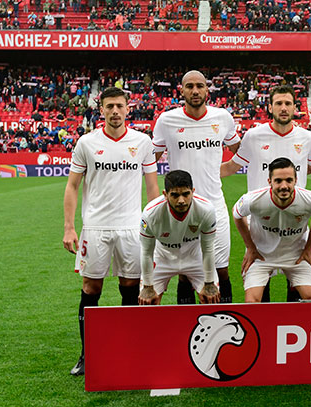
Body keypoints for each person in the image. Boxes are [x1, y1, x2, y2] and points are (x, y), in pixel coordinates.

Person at [63, 86, 159, 376]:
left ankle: (129, 350)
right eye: (109, 106)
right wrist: (69, 227)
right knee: (91, 288)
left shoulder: (142, 142)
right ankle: (88, 354)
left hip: (131, 228)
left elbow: (152, 188)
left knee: (130, 287)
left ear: (128, 108)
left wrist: (156, 228)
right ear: (101, 109)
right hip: (96, 227)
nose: (115, 111)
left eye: (119, 106)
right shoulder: (86, 143)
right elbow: (72, 186)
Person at [222, 85, 311, 302]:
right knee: (261, 285)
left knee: (296, 286)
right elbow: (231, 167)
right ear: (270, 107)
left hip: (295, 217)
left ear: (295, 107)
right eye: (279, 103)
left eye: (288, 103)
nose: (283, 108)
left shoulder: (307, 137)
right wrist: (193, 177)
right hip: (260, 220)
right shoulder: (253, 136)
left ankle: (292, 323)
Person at [152, 70, 240, 304]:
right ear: (181, 90)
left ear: (207, 89)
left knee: (221, 269)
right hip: (181, 207)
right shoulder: (166, 120)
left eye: (199, 86)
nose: (195, 91)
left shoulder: (222, 118)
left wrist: (222, 171)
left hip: (215, 204)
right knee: (185, 273)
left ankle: (224, 315)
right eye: (189, 86)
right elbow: (150, 160)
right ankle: (187, 323)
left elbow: (241, 151)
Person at [232, 157, 311, 302]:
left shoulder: (310, 200)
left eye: (289, 180)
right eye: (278, 181)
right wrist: (250, 247)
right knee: (251, 303)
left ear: (295, 180)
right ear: (269, 181)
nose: (284, 186)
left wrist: (309, 248)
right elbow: (237, 214)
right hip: (261, 256)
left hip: (296, 255)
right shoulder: (253, 200)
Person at [138, 170, 220, 305]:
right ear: (165, 194)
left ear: (193, 191)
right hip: (163, 256)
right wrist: (147, 285)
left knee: (211, 299)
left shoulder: (206, 209)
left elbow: (208, 248)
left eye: (186, 194)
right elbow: (146, 252)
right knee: (148, 301)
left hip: (194, 255)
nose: (181, 200)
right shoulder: (150, 214)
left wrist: (210, 282)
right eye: (175, 195)